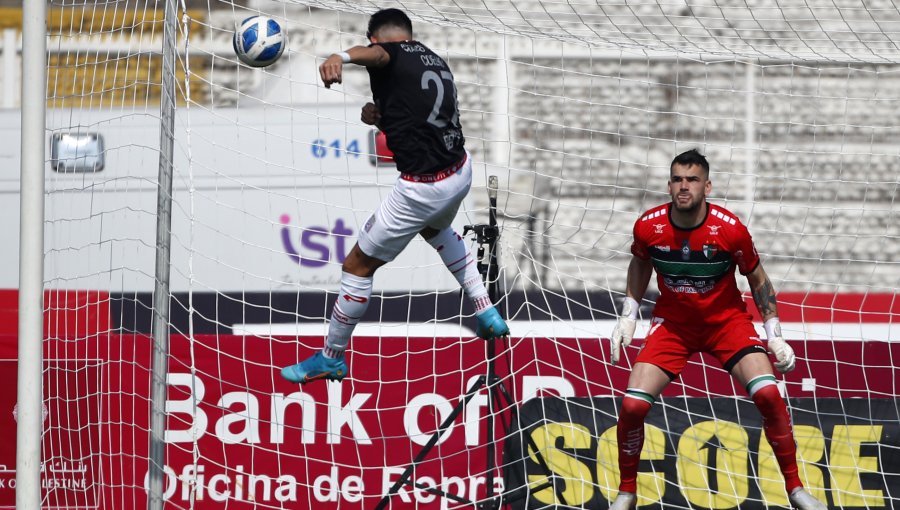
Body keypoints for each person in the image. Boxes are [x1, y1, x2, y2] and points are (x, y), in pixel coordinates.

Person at [281, 8, 509, 384]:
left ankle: (331, 356)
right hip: (460, 171)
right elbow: (423, 120)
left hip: (422, 187)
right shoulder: (433, 60)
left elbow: (382, 55)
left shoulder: (389, 53)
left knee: (356, 266)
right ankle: (484, 308)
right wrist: (381, 118)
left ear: (375, 38)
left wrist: (341, 56)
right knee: (437, 232)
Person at [607, 149, 826, 510]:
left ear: (707, 185)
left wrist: (775, 334)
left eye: (692, 180)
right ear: (669, 184)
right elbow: (640, 263)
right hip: (674, 327)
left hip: (727, 324)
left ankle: (796, 488)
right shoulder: (648, 226)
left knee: (769, 395)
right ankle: (627, 493)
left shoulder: (730, 229)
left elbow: (757, 278)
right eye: (677, 179)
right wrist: (628, 314)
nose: (684, 186)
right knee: (631, 407)